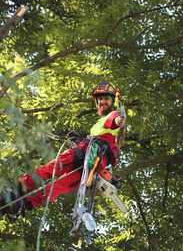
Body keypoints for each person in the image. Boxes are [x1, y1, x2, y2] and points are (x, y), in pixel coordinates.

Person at [0, 82, 125, 217]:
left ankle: (22, 201)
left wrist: (119, 120)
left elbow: (116, 121)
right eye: (99, 99)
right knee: (54, 179)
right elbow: (101, 137)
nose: (102, 102)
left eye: (106, 99)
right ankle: (16, 198)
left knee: (55, 179)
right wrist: (78, 140)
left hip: (90, 158)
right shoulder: (102, 126)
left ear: (113, 101)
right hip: (89, 158)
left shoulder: (113, 115)